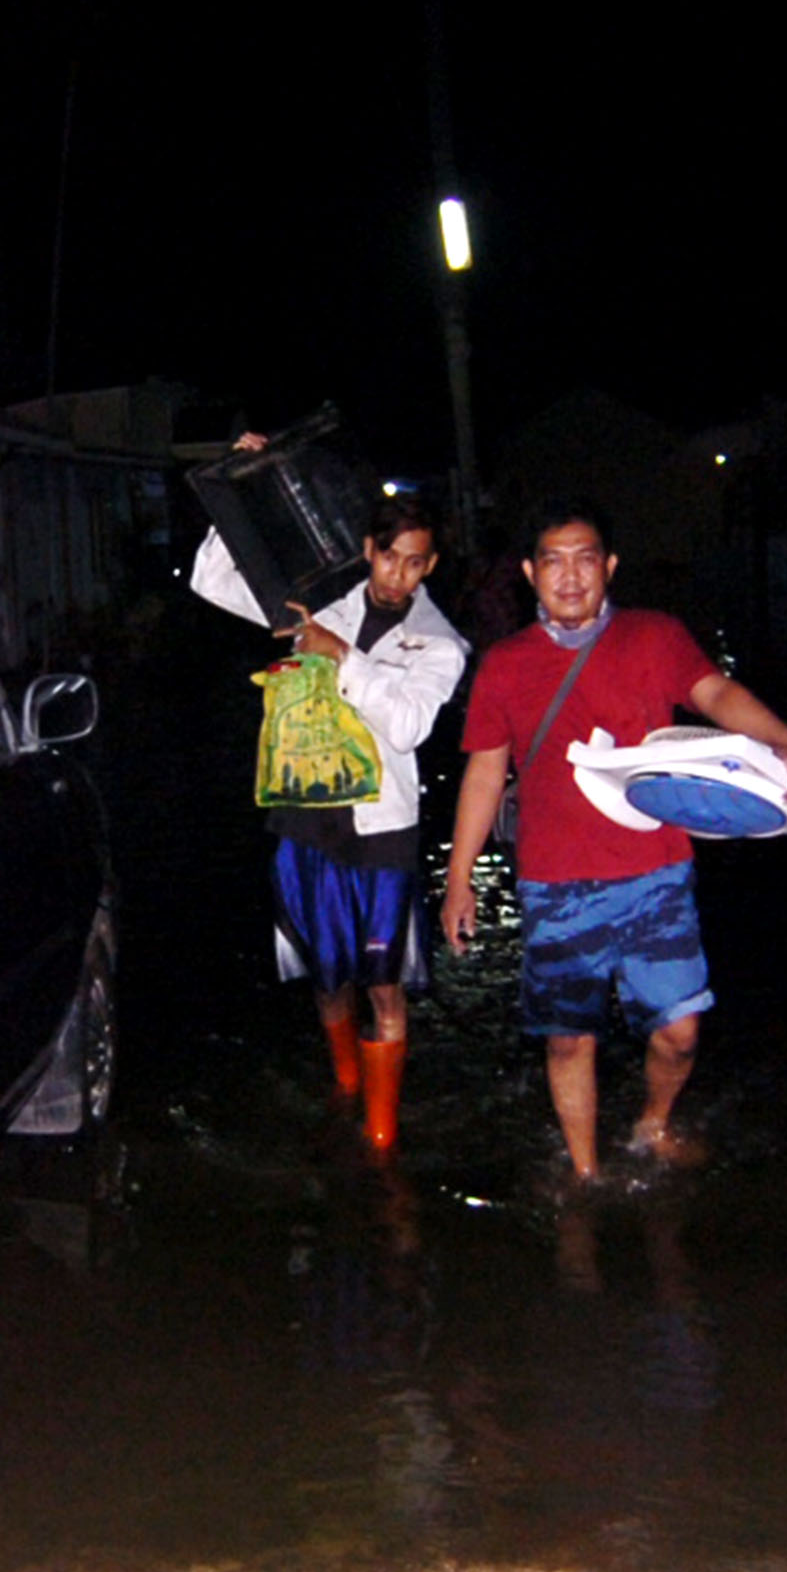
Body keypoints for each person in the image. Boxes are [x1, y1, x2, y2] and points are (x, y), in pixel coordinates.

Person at [439, 497, 787, 1179]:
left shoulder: (655, 635)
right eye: (553, 561)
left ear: (609, 566)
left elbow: (716, 694)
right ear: (530, 572)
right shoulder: (504, 662)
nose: (570, 576)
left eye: (586, 559)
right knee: (567, 1040)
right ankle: (586, 1173)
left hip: (655, 869)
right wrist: (460, 877)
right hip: (554, 880)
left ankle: (653, 1121)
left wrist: (785, 743)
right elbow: (484, 771)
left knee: (680, 1031)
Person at [189, 445, 470, 1151]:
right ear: (368, 548)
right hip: (304, 814)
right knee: (326, 970)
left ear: (431, 564)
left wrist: (341, 654)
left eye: (416, 562)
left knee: (385, 982)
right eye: (389, 556)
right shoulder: (322, 597)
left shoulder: (439, 643)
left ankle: (380, 1132)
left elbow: (406, 725)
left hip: (382, 830)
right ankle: (346, 1083)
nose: (399, 574)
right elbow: (211, 578)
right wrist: (239, 490)